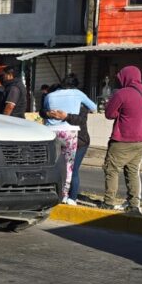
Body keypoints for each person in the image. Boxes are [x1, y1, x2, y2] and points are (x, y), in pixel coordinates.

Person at [100, 66, 142, 213]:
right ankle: (134, 203)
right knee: (132, 171)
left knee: (111, 169)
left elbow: (109, 114)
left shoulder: (122, 93)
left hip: (124, 138)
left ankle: (108, 202)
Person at [41, 75, 97, 204]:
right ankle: (68, 196)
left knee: (53, 165)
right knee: (70, 166)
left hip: (52, 132)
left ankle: (52, 192)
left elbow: (44, 111)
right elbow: (94, 107)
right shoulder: (77, 94)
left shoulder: (50, 95)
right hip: (69, 132)